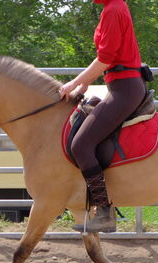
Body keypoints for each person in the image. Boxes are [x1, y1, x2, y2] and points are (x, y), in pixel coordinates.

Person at [59, 0, 146, 233]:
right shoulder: (112, 8)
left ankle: (105, 213)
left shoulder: (114, 9)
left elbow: (106, 58)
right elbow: (108, 60)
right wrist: (85, 83)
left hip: (124, 89)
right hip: (118, 86)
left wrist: (74, 82)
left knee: (81, 145)